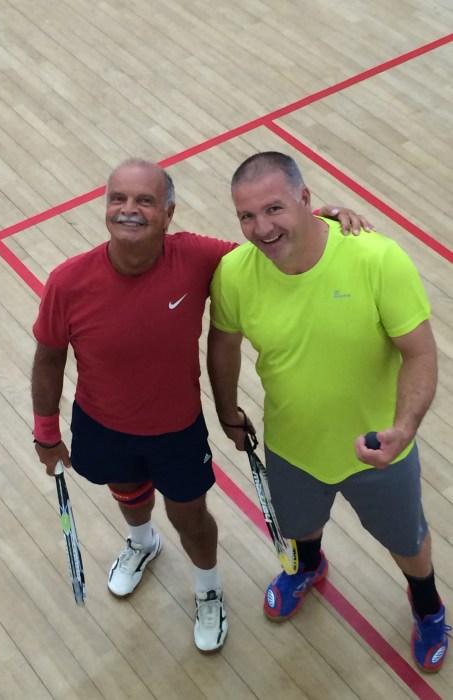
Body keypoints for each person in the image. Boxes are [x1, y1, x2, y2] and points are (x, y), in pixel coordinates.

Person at [31, 157, 371, 653]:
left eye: (145, 200)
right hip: (102, 427)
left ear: (168, 214)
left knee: (191, 518)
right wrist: (45, 433)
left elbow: (267, 248)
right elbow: (48, 358)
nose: (129, 210)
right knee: (128, 495)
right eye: (118, 199)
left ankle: (208, 587)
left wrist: (316, 219)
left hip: (176, 433)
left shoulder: (196, 257)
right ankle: (142, 543)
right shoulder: (68, 281)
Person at [207, 151, 450, 672]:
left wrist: (403, 428)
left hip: (379, 450)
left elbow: (420, 353)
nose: (261, 228)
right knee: (300, 526)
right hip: (291, 446)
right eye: (246, 216)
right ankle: (308, 568)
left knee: (407, 541)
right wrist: (227, 412)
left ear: (305, 199)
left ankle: (428, 606)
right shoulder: (234, 272)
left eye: (274, 209)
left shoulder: (376, 258)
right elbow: (223, 344)